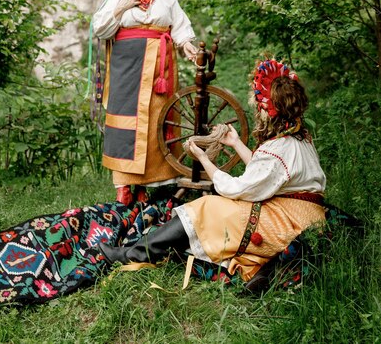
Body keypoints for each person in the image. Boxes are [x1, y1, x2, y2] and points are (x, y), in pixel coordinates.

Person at [99, 58, 327, 286]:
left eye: (259, 107)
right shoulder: (299, 139)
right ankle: (148, 250)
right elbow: (268, 174)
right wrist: (236, 142)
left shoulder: (278, 149)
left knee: (210, 207)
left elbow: (237, 189)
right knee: (216, 213)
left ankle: (133, 254)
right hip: (303, 217)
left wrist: (204, 159)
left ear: (268, 111)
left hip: (286, 224)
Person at [92, 0, 197, 207]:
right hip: (128, 64)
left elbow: (179, 25)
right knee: (126, 123)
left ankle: (148, 184)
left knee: (156, 120)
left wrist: (187, 45)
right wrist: (120, 8)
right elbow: (100, 28)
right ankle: (125, 184)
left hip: (161, 65)